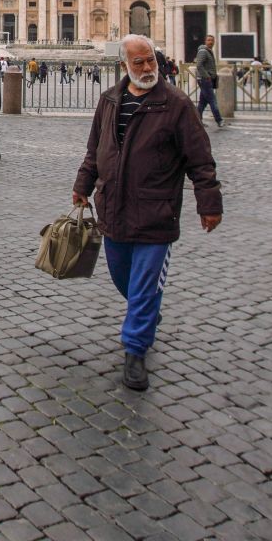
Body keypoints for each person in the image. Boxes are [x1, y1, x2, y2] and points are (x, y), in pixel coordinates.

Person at [73, 34, 222, 391]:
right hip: (114, 205)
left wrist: (209, 202)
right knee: (123, 275)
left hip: (158, 210)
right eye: (138, 62)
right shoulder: (109, 100)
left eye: (151, 61)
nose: (147, 68)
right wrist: (83, 184)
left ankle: (135, 349)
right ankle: (146, 310)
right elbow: (95, 148)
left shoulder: (176, 104)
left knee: (142, 284)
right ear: (124, 65)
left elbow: (199, 158)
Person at [194, 34, 223, 128]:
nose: (211, 42)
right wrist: (207, 76)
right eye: (209, 40)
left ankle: (197, 120)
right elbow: (199, 65)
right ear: (205, 41)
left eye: (212, 40)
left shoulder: (209, 51)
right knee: (212, 100)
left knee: (202, 102)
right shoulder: (203, 51)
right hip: (205, 79)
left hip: (206, 79)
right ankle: (219, 120)